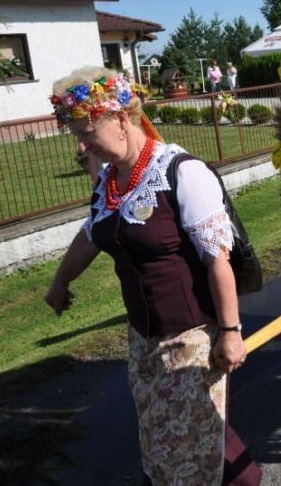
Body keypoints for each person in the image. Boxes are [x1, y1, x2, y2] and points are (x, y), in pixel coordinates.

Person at [45, 67, 262, 485]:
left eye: (87, 132)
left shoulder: (180, 171)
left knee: (183, 454)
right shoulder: (110, 182)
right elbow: (92, 234)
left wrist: (231, 331)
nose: (81, 143)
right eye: (76, 133)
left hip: (191, 340)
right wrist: (59, 283)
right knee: (167, 443)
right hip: (143, 344)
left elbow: (218, 258)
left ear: (122, 120)